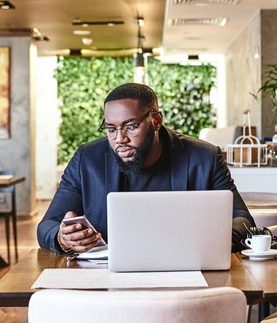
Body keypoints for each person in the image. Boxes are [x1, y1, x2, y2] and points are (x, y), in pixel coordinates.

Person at [37, 83, 255, 254]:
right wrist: (62, 238)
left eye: (131, 126)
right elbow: (47, 225)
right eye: (111, 129)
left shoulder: (205, 158)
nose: (120, 139)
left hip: (184, 273)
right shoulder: (87, 159)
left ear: (156, 120)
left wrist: (204, 239)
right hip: (106, 276)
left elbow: (244, 221)